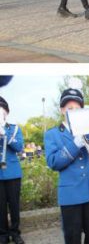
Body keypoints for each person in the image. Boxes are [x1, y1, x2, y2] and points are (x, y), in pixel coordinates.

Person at [44, 84, 89, 244]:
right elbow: (53, 162)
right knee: (72, 238)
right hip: (70, 195)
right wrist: (75, 144)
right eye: (70, 108)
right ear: (62, 110)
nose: (74, 111)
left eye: (78, 108)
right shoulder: (52, 134)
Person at [0, 97, 24, 244]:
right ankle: (3, 235)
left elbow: (19, 147)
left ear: (6, 112)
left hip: (13, 173)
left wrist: (4, 132)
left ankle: (15, 233)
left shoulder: (14, 128)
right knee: (0, 207)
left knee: (14, 205)